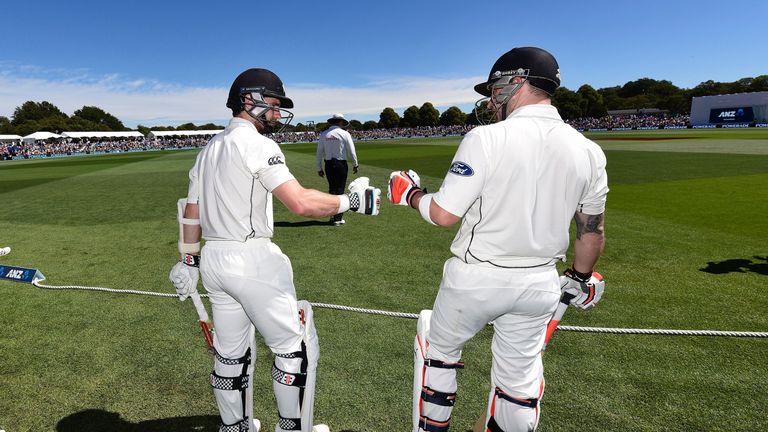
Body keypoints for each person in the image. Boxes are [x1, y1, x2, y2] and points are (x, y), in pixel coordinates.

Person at [388, 47, 608, 432]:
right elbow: (591, 231)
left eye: (494, 89)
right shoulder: (589, 151)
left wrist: (410, 194)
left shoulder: (487, 137)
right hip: (540, 283)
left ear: (515, 83)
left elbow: (443, 214)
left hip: (476, 278)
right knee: (519, 386)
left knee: (438, 354)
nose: (491, 99)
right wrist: (579, 277)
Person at [169, 68, 380, 432]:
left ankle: (233, 426)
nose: (279, 113)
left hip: (215, 262)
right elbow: (298, 202)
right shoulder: (258, 144)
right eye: (275, 104)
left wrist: (189, 261)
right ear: (249, 100)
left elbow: (192, 211)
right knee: (292, 350)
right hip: (252, 259)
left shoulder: (209, 148)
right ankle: (291, 428)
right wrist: (350, 201)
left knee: (230, 355)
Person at [316, 113, 359, 226]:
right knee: (340, 190)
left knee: (332, 190)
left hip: (328, 164)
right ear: (340, 122)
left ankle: (332, 215)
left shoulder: (324, 134)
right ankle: (337, 218)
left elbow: (319, 152)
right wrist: (355, 164)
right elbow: (351, 151)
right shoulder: (344, 133)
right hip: (340, 164)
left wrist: (319, 167)